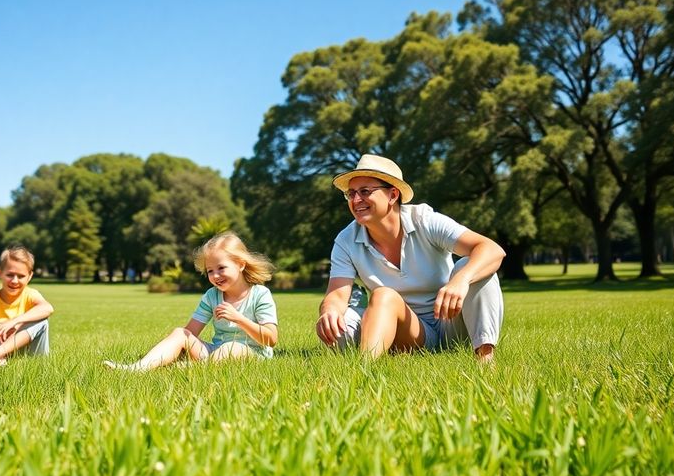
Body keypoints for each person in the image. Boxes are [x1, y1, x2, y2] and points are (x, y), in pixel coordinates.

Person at [316, 154, 505, 361]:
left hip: (451, 321)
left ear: (393, 195)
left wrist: (461, 280)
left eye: (365, 191)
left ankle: (485, 360)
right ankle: (364, 369)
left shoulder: (425, 221)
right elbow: (336, 294)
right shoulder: (346, 240)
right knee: (363, 308)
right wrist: (330, 312)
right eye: (350, 194)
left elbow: (492, 249)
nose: (356, 200)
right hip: (406, 330)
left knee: (474, 266)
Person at [104, 232, 278, 371]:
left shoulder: (260, 294)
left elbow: (270, 339)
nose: (215, 276)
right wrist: (178, 348)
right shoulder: (212, 296)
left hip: (253, 353)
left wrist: (238, 318)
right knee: (180, 333)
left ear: (240, 265)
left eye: (221, 268)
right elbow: (190, 334)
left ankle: (191, 369)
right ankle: (138, 368)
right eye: (210, 271)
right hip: (216, 353)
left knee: (231, 347)